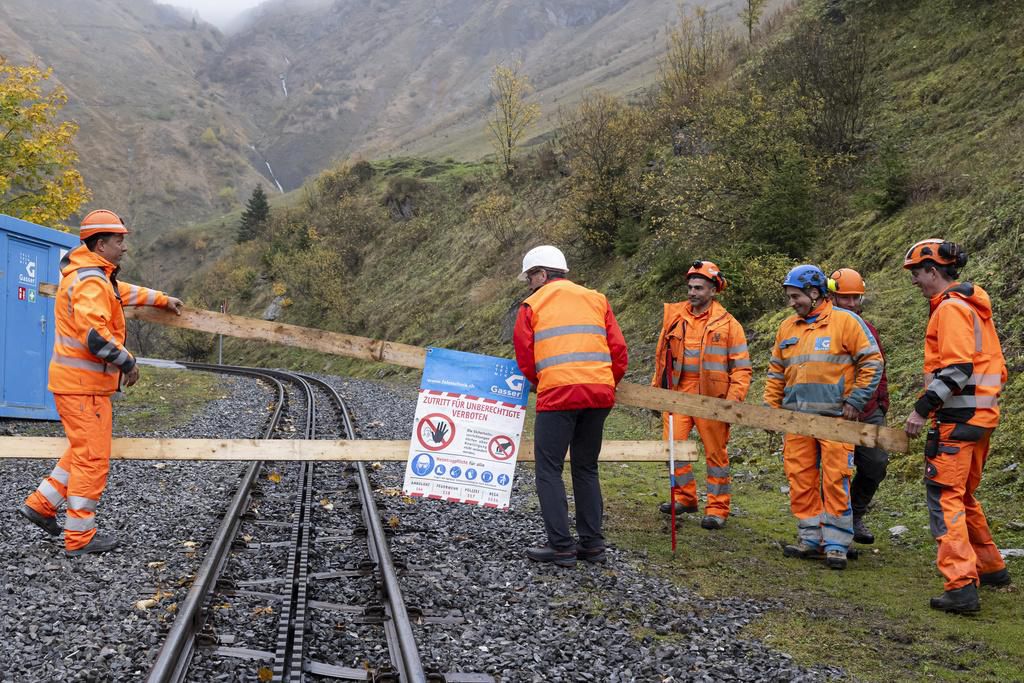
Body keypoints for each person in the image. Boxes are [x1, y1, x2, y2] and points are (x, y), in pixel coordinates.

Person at [18, 209, 183, 557]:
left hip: (78, 385)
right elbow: (95, 336)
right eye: (118, 241)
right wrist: (128, 362)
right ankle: (79, 537)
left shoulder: (91, 276)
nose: (124, 247)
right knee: (93, 459)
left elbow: (122, 292)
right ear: (100, 243)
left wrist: (162, 300)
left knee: (82, 450)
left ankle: (41, 505)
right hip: (83, 388)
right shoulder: (91, 281)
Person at [902, 239, 1010, 614]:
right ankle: (991, 567)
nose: (914, 281)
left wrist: (921, 410)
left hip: (957, 420)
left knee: (944, 497)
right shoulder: (974, 308)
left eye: (916, 273)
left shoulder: (950, 310)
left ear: (933, 271)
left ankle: (961, 585)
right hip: (980, 419)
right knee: (962, 494)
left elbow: (956, 371)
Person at [513, 245, 628, 568]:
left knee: (548, 469)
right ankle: (592, 545)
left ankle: (561, 546)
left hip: (558, 395)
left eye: (530, 277)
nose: (529, 285)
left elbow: (526, 356)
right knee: (586, 467)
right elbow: (618, 351)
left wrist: (542, 384)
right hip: (598, 393)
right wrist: (605, 383)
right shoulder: (596, 298)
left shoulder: (532, 305)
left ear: (542, 274)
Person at [764, 265, 883, 570]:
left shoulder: (847, 322)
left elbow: (872, 361)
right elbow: (776, 372)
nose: (792, 303)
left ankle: (836, 545)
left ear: (815, 293)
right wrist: (771, 410)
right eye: (790, 297)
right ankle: (810, 539)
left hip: (835, 421)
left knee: (835, 480)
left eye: (796, 296)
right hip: (796, 421)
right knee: (800, 479)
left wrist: (856, 401)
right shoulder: (787, 328)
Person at [650, 260, 751, 530]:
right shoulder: (674, 317)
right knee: (673, 447)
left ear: (713, 290)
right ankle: (685, 497)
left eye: (699, 288)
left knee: (715, 455)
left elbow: (741, 367)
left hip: (713, 400)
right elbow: (662, 358)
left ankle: (718, 508)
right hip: (678, 394)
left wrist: (732, 402)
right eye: (690, 287)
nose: (692, 292)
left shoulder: (730, 325)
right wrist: (656, 392)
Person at [828, 268, 890, 544]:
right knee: (834, 470)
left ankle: (856, 515)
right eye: (845, 298)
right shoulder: (824, 329)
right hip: (833, 412)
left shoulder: (868, 330)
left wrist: (881, 403)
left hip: (867, 411)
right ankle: (832, 523)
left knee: (875, 464)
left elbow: (878, 367)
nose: (852, 303)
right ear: (832, 297)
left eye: (856, 298)